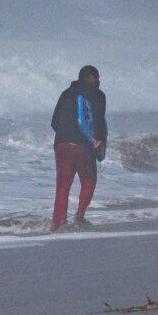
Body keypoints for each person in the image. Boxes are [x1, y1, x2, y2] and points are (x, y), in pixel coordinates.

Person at [49, 65, 107, 230]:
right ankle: (79, 217)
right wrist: (100, 139)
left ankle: (57, 223)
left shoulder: (66, 93)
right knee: (89, 181)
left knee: (62, 186)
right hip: (83, 146)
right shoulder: (98, 94)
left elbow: (54, 122)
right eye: (98, 79)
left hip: (61, 144)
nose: (99, 82)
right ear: (94, 79)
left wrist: (66, 134)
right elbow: (99, 121)